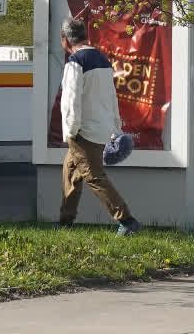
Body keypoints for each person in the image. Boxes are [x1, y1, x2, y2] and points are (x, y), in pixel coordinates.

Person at [57, 17, 143, 236]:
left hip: (83, 130)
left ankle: (127, 220)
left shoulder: (75, 61)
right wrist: (115, 125)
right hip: (100, 127)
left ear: (65, 40)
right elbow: (110, 97)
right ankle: (65, 221)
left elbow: (71, 100)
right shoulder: (101, 59)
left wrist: (70, 130)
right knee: (70, 171)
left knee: (94, 176)